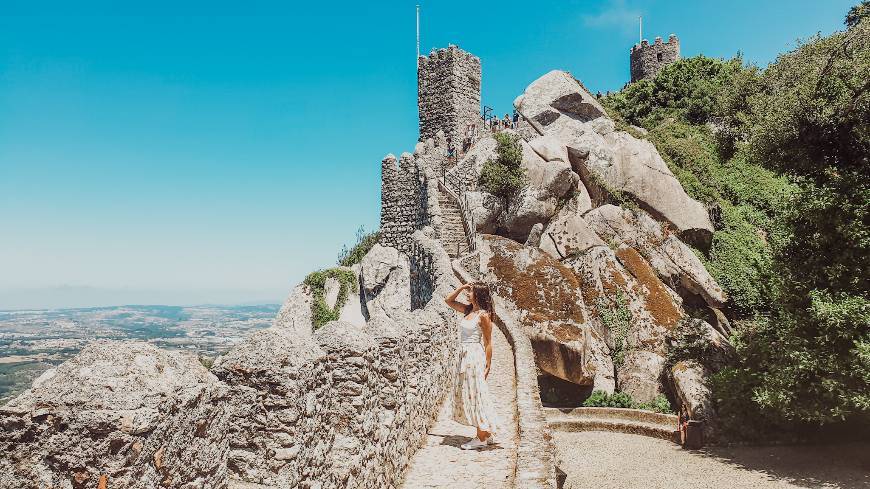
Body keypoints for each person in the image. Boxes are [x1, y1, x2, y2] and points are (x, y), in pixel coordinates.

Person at [444, 282, 501, 450]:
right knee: (470, 393)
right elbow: (448, 300)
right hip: (464, 356)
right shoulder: (469, 310)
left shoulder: (483, 315)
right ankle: (486, 434)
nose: (467, 294)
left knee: (476, 394)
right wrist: (461, 287)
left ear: (478, 295)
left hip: (474, 356)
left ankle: (481, 437)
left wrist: (488, 364)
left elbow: (488, 342)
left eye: (470, 292)